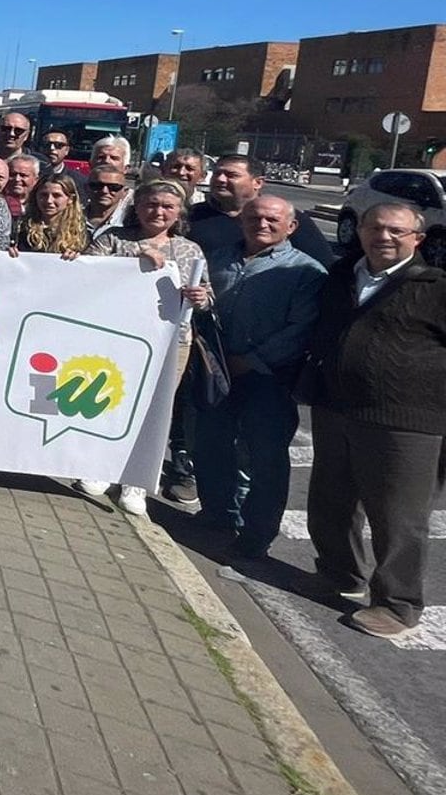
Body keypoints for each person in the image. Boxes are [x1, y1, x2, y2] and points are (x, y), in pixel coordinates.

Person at [301, 202, 446, 639]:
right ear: (360, 231)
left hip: (405, 420)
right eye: (375, 228)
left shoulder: (436, 287)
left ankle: (398, 603)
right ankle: (340, 575)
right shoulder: (343, 276)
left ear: (417, 239)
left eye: (397, 232)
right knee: (332, 500)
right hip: (336, 407)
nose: (384, 237)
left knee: (398, 516)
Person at [198, 196, 326, 559]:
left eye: (272, 219)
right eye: (255, 217)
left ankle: (257, 534)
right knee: (212, 445)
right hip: (217, 371)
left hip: (269, 378)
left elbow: (300, 328)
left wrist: (252, 360)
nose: (263, 224)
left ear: (292, 227)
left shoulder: (306, 271)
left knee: (265, 459)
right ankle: (216, 515)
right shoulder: (219, 258)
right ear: (242, 220)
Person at [79, 179, 213, 514]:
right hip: (115, 337)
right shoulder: (113, 239)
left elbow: (206, 296)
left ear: (179, 212)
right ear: (136, 207)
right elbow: (86, 275)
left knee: (155, 410)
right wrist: (137, 259)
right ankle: (102, 466)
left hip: (170, 344)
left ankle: (136, 480)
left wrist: (201, 298)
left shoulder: (189, 249)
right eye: (151, 204)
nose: (158, 211)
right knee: (108, 401)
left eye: (167, 206)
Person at [188, 155, 334, 269]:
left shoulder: (284, 217)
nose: (220, 179)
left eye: (231, 175)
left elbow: (322, 265)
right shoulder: (192, 215)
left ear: (257, 182)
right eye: (217, 173)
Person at [11, 176, 86, 260]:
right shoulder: (19, 228)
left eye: (56, 195)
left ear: (70, 199)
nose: (49, 201)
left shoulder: (81, 232)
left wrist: (77, 256)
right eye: (44, 195)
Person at [84, 165, 133, 240]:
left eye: (113, 187)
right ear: (86, 188)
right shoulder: (70, 217)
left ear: (124, 192)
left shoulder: (131, 222)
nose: (104, 191)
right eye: (97, 185)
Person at [2, 155, 40, 220]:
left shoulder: (40, 204)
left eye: (23, 175)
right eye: (12, 174)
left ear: (35, 179)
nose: (17, 179)